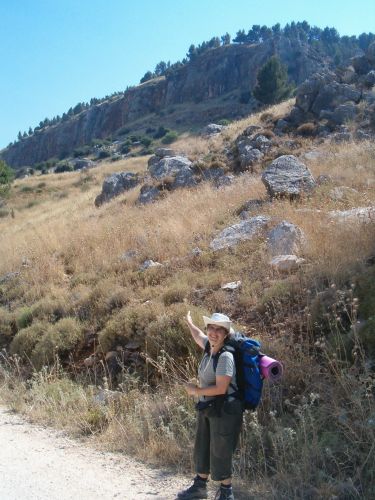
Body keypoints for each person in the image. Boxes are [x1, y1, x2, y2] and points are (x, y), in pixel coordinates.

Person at [177, 311, 243, 500]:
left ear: (225, 334)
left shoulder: (225, 357)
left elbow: (222, 388)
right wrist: (189, 322)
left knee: (221, 450)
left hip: (225, 410)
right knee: (203, 445)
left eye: (219, 329)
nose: (213, 332)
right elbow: (198, 336)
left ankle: (226, 493)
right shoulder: (210, 347)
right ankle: (200, 486)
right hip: (208, 407)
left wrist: (195, 391)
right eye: (211, 328)